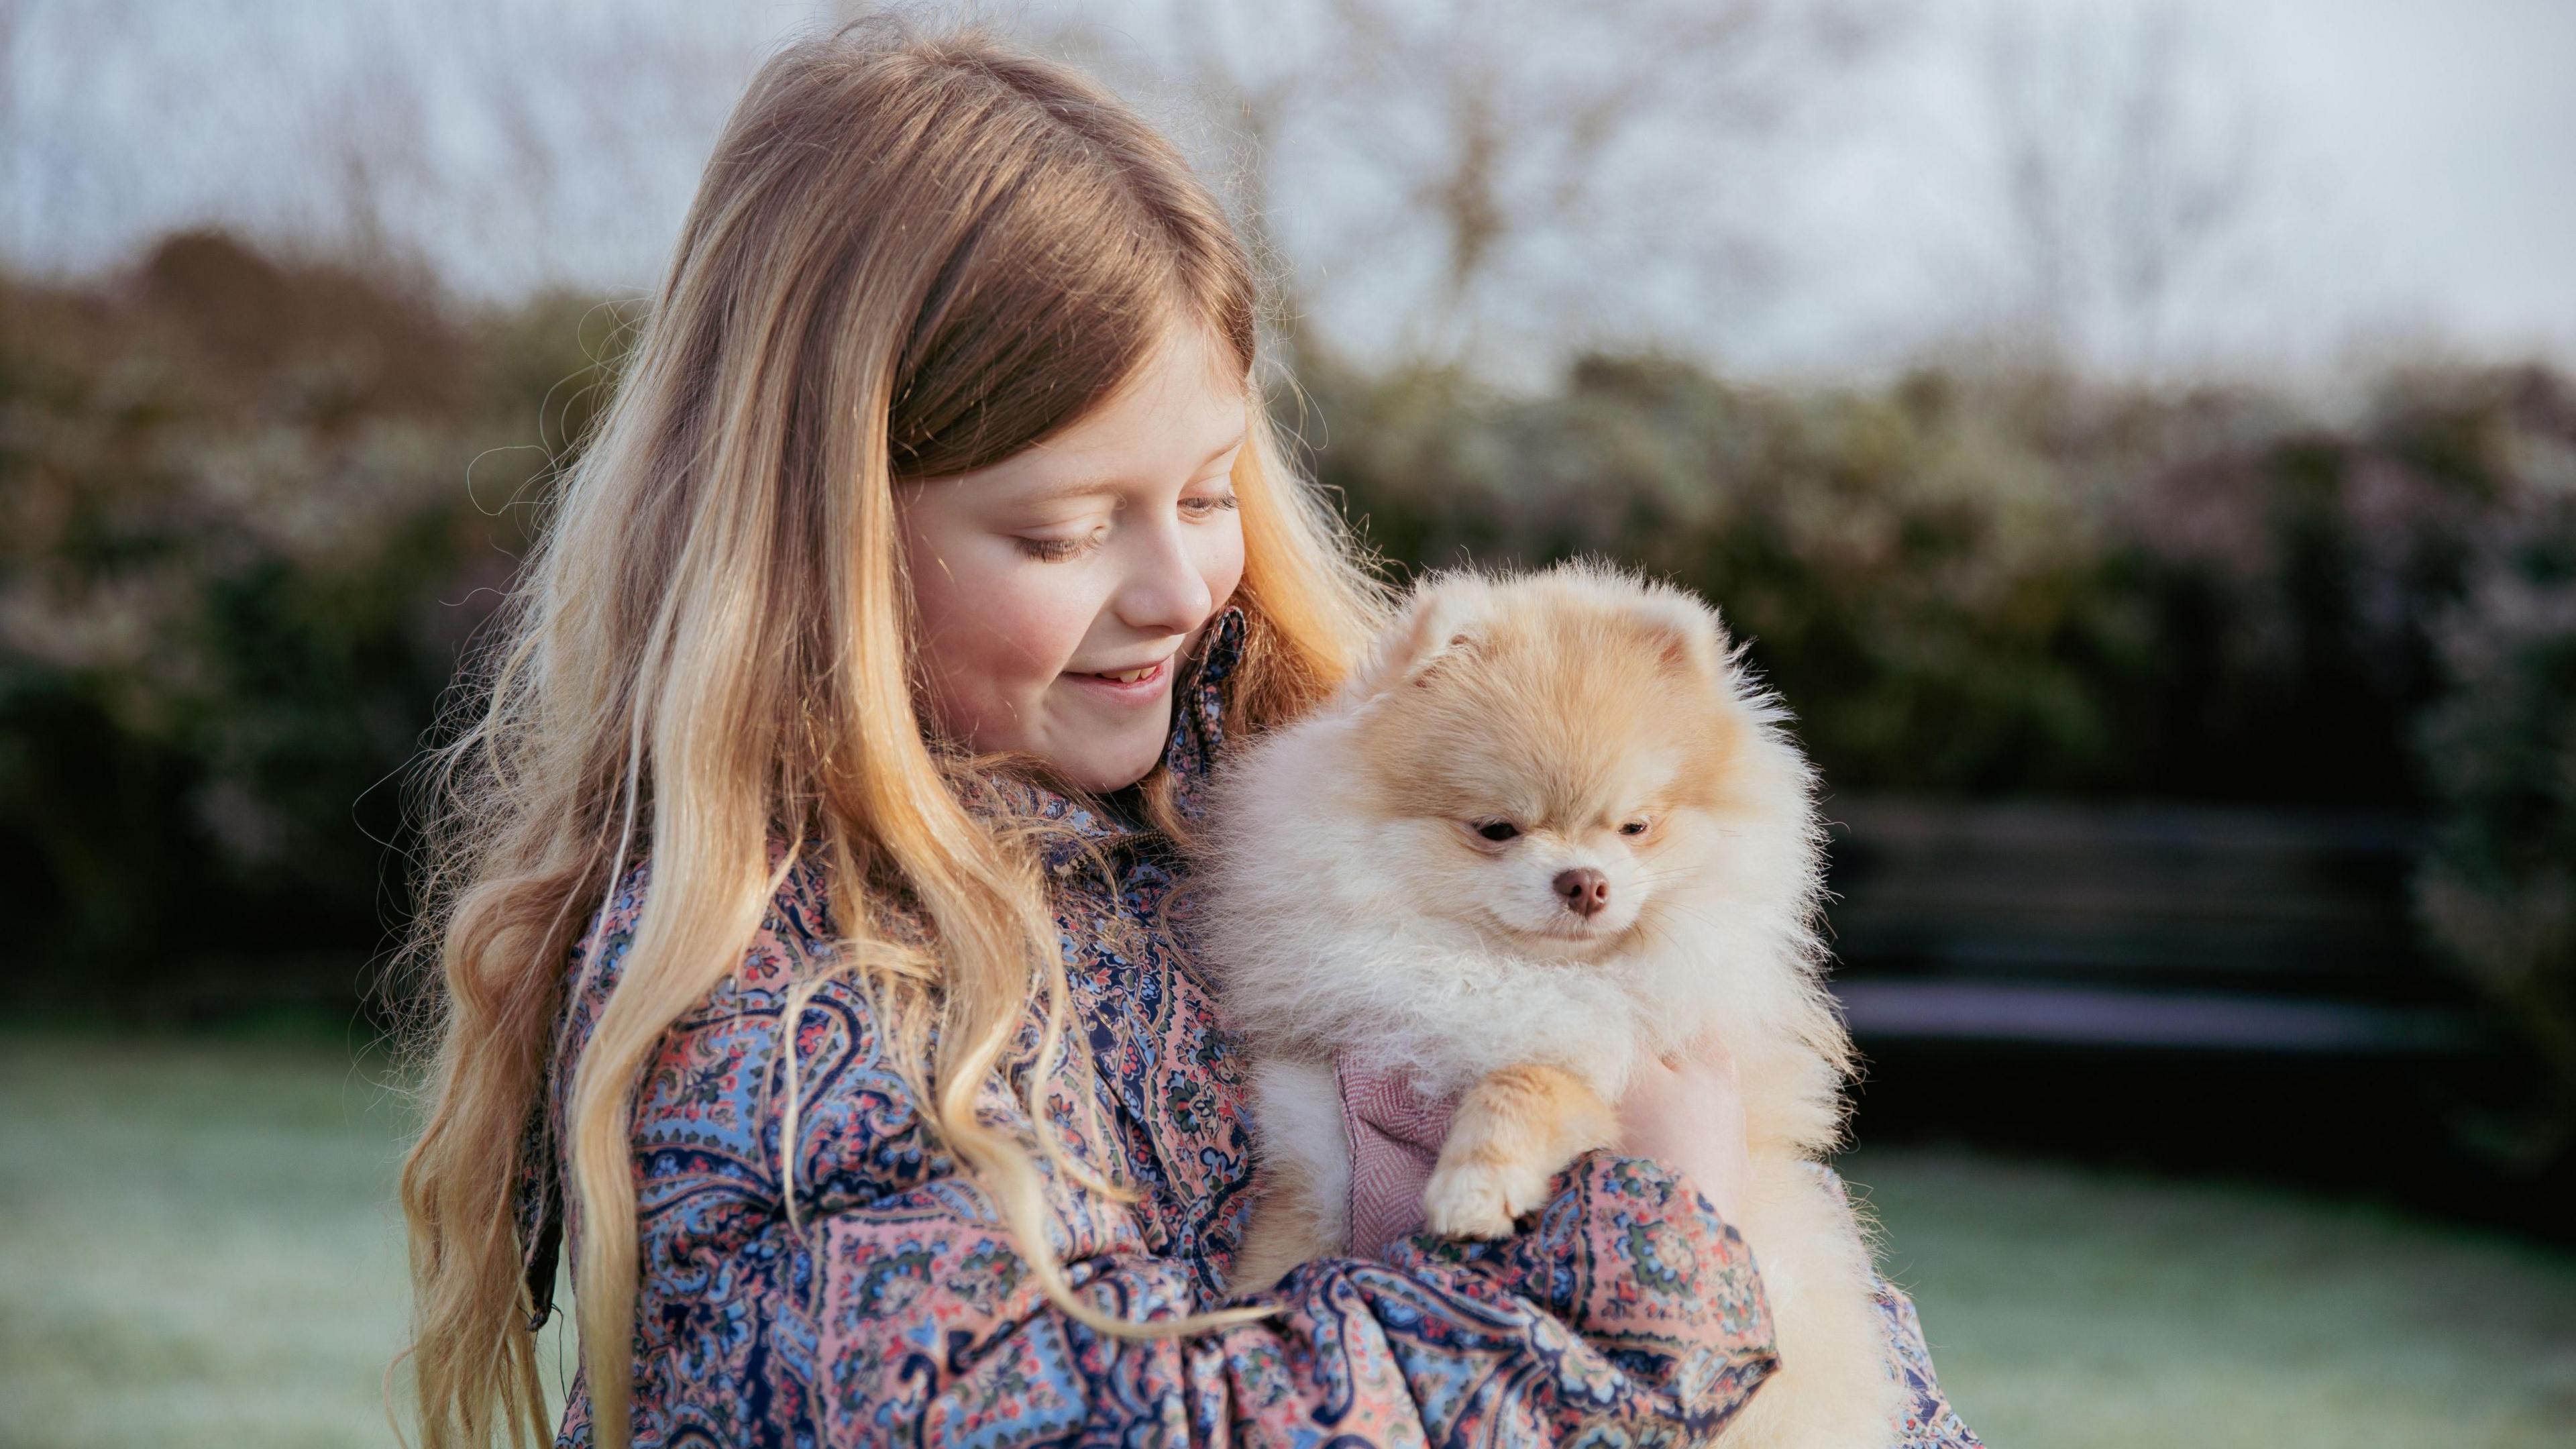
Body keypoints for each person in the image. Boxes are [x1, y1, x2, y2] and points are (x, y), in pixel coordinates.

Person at [395, 19, 1981, 1449]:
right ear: (823, 534)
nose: (1176, 587)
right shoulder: (777, 981)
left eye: (1212, 494)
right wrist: (1643, 1268)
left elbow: (1804, 1265)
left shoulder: (1283, 800)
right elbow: (1037, 1418)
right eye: (1066, 529)